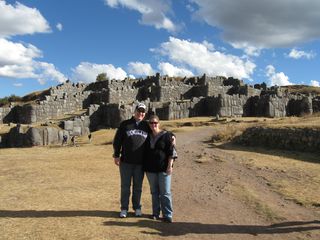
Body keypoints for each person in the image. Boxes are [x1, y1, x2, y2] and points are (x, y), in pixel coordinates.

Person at [112, 102, 149, 218]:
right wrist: (116, 155)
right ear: (135, 111)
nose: (141, 113)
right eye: (139, 111)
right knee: (125, 187)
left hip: (140, 163)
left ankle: (137, 207)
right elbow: (117, 140)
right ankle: (124, 208)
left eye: (143, 111)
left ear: (145, 113)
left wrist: (172, 136)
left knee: (138, 187)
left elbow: (158, 134)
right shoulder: (125, 124)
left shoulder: (147, 126)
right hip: (126, 162)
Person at [143, 115, 177, 223]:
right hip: (150, 169)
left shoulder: (167, 135)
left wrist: (170, 166)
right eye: (151, 123)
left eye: (155, 123)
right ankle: (155, 213)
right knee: (154, 192)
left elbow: (171, 151)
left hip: (163, 169)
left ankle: (167, 214)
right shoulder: (147, 136)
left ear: (159, 123)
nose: (153, 125)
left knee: (165, 192)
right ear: (149, 125)